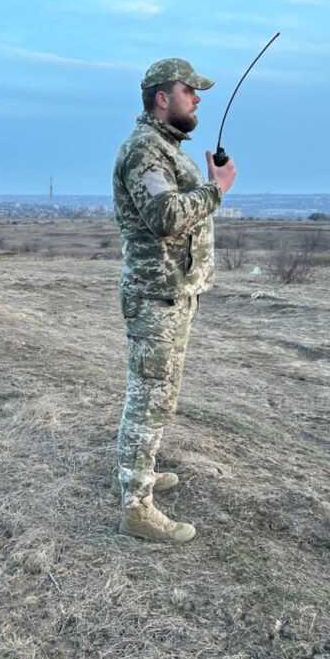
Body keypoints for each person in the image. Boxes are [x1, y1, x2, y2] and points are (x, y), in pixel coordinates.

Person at [112, 58, 237, 543]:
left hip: (174, 291)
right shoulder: (145, 150)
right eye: (190, 90)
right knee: (148, 396)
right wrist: (216, 189)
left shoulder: (164, 148)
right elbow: (166, 215)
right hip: (156, 295)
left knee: (158, 394)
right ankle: (136, 507)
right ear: (162, 98)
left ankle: (138, 470)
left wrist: (206, 180)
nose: (198, 98)